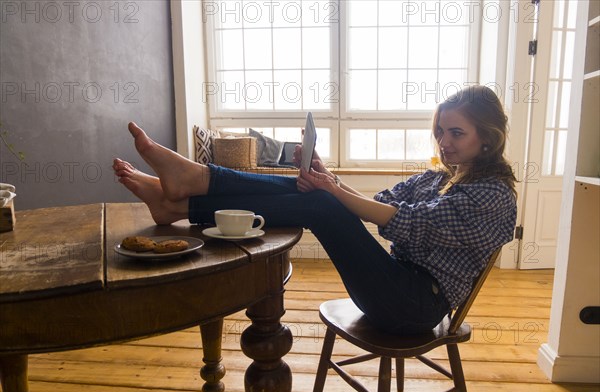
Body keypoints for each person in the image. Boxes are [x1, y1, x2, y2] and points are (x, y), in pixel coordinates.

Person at [113, 85, 517, 335]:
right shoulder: (441, 176)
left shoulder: (493, 196)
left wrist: (332, 190)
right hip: (395, 285)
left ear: (488, 138)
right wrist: (330, 180)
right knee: (314, 191)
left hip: (412, 307)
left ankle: (189, 191)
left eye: (456, 133)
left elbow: (400, 220)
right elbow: (381, 204)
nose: (444, 142)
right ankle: (185, 193)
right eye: (440, 132)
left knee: (322, 203)